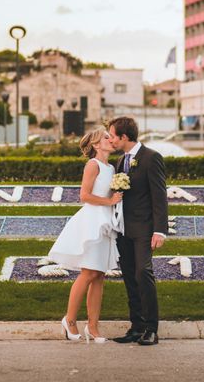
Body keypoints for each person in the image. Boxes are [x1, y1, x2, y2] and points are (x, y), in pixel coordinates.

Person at [48, 127, 123, 343]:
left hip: (106, 221)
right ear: (97, 145)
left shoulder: (111, 167)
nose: (111, 140)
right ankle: (70, 320)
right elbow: (84, 195)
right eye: (106, 138)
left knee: (99, 275)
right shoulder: (93, 165)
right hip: (92, 221)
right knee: (88, 273)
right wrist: (109, 201)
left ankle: (93, 327)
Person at [108, 116, 168, 346]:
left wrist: (159, 231)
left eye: (113, 136)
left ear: (124, 137)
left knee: (144, 273)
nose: (111, 140)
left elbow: (159, 197)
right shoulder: (120, 161)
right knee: (130, 277)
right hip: (123, 228)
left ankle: (152, 328)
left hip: (144, 228)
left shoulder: (151, 158)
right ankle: (137, 326)